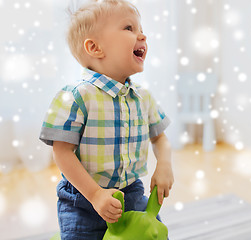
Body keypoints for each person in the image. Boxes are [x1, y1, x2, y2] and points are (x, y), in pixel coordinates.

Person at [39, 0, 174, 239]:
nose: (143, 35)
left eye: (141, 28)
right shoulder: (75, 96)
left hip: (131, 194)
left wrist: (164, 166)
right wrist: (95, 195)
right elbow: (62, 152)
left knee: (152, 234)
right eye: (129, 28)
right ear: (95, 47)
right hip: (83, 200)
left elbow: (160, 138)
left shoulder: (143, 97)